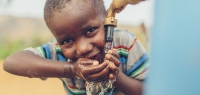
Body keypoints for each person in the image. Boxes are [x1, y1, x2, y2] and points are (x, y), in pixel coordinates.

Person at [3, 0, 149, 95]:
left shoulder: (125, 44)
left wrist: (115, 77)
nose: (83, 48)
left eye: (90, 31)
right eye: (67, 40)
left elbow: (148, 91)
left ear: (106, 21)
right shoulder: (59, 54)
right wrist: (72, 70)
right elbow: (12, 62)